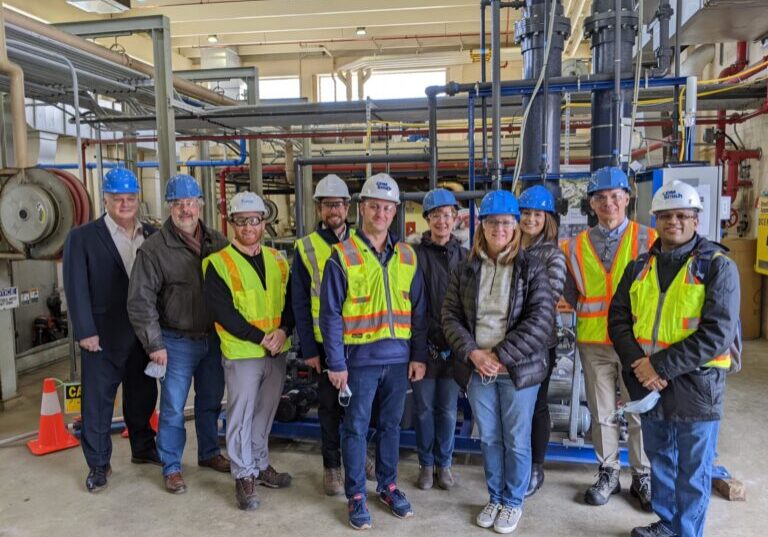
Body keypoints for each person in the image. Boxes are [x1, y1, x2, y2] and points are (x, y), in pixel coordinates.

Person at [609, 181, 740, 537]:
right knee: (661, 459)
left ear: (696, 220)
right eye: (666, 216)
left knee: (693, 470)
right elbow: (617, 319)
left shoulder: (717, 267)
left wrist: (658, 366)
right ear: (656, 220)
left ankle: (687, 532)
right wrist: (640, 364)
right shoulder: (639, 266)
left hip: (697, 385)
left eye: (682, 215)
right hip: (649, 384)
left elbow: (717, 333)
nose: (674, 222)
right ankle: (667, 524)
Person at [319, 173, 427, 530]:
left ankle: (388, 485)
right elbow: (330, 314)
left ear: (395, 212)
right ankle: (355, 495)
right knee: (355, 428)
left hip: (398, 361)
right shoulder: (342, 255)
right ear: (362, 208)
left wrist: (418, 355)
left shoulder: (407, 256)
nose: (381, 213)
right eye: (374, 206)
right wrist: (336, 363)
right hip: (358, 361)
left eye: (387, 208)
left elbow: (419, 311)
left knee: (391, 426)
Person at [442, 190, 554, 534]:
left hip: (517, 370)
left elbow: (541, 321)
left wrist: (499, 355)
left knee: (517, 440)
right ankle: (495, 497)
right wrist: (474, 354)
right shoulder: (465, 269)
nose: (499, 229)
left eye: (506, 222)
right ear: (482, 227)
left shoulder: (532, 267)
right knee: (489, 438)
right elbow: (450, 316)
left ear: (516, 226)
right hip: (478, 370)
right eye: (492, 222)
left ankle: (513, 502)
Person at [128, 174, 230, 494]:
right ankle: (171, 465)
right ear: (169, 207)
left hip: (213, 339)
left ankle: (209, 452)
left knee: (210, 399)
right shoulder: (154, 250)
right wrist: (154, 344)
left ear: (200, 204)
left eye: (190, 202)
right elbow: (140, 302)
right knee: (172, 407)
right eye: (178, 204)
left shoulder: (218, 242)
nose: (185, 209)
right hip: (175, 341)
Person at [562, 166, 654, 509]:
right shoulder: (573, 246)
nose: (608, 203)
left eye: (615, 196)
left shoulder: (649, 239)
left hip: (635, 343)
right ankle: (608, 472)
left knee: (639, 410)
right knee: (601, 412)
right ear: (591, 204)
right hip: (593, 341)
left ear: (627, 199)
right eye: (600, 198)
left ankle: (642, 475)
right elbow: (568, 291)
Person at [63, 168, 159, 493]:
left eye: (130, 198)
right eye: (117, 198)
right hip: (102, 336)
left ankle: (143, 448)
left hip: (143, 335)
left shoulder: (152, 234)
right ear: (105, 199)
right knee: (98, 403)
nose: (124, 204)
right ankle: (98, 464)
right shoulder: (82, 238)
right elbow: (75, 287)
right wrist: (85, 331)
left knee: (143, 395)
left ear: (137, 199)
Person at [204, 191, 294, 511]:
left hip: (276, 350)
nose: (248, 227)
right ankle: (243, 475)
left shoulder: (278, 259)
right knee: (241, 415)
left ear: (263, 222)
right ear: (232, 223)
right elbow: (223, 312)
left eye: (254, 220)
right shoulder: (217, 264)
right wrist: (262, 338)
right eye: (241, 221)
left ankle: (259, 463)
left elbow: (291, 302)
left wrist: (283, 331)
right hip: (243, 352)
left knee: (265, 412)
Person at [291, 174, 354, 496]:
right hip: (323, 342)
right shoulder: (305, 247)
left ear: (347, 207)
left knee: (360, 407)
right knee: (329, 407)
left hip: (359, 340)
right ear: (319, 209)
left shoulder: (362, 242)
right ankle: (332, 467)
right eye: (328, 205)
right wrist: (309, 350)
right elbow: (299, 302)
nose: (334, 211)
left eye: (338, 204)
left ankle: (359, 458)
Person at [412, 188, 467, 491]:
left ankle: (444, 464)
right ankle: (425, 464)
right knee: (422, 409)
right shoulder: (415, 256)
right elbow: (413, 305)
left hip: (454, 348)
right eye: (436, 215)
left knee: (447, 409)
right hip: (423, 346)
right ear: (428, 219)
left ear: (455, 218)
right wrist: (418, 348)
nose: (442, 221)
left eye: (447, 215)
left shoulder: (466, 256)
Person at [517, 185, 567, 497]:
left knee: (536, 406)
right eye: (525, 213)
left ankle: (536, 467)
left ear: (547, 219)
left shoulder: (552, 254)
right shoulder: (508, 246)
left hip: (538, 344)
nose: (531, 219)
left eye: (537, 214)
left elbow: (548, 301)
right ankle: (517, 463)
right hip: (506, 343)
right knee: (513, 409)